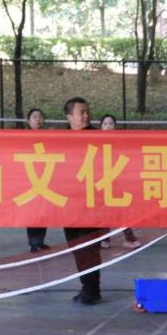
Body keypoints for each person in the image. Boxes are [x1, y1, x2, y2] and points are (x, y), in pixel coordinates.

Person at [63, 97, 103, 305]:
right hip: (68, 203)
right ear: (69, 117)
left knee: (89, 247)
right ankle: (87, 286)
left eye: (88, 112)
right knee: (76, 247)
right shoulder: (58, 140)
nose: (86, 116)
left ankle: (92, 289)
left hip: (92, 203)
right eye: (81, 112)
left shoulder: (99, 138)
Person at [98, 114, 140, 249]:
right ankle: (105, 240)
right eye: (105, 124)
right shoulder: (96, 142)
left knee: (122, 211)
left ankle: (129, 238)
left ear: (115, 126)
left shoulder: (120, 142)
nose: (108, 126)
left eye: (111, 123)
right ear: (101, 127)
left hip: (118, 182)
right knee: (104, 212)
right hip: (102, 182)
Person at [24, 108, 50, 253]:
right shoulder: (23, 137)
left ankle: (40, 240)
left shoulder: (48, 136)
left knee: (43, 211)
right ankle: (32, 242)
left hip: (44, 177)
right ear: (28, 121)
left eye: (40, 117)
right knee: (32, 212)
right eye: (34, 117)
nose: (38, 119)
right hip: (29, 178)